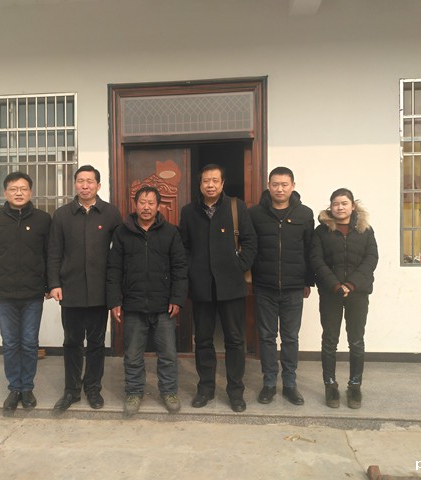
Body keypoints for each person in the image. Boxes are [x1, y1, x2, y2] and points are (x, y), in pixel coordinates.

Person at [179, 164, 257, 412]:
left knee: (235, 340)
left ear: (222, 183)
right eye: (206, 181)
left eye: (215, 180)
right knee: (203, 340)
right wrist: (192, 270)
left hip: (231, 286)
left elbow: (250, 242)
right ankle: (205, 388)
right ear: (200, 184)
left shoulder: (237, 207)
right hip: (201, 286)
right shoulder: (189, 211)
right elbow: (184, 247)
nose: (210, 185)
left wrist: (238, 266)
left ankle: (235, 391)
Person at [107, 186, 188, 416]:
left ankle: (169, 391)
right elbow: (113, 269)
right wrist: (115, 301)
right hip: (133, 305)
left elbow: (180, 268)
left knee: (168, 354)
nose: (146, 207)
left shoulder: (170, 232)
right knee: (133, 354)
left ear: (158, 206)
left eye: (151, 203)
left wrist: (177, 298)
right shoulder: (122, 232)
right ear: (135, 204)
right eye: (142, 202)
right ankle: (134, 392)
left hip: (163, 306)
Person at [48, 165, 122, 411]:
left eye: (90, 181)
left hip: (100, 291)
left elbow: (119, 253)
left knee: (97, 343)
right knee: (71, 342)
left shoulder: (111, 213)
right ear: (75, 184)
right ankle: (71, 391)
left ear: (98, 186)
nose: (85, 185)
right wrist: (54, 284)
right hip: (71, 290)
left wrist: (115, 291)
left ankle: (93, 388)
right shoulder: (62, 215)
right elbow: (54, 253)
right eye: (81, 181)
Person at [0, 171, 52, 411]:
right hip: (4, 294)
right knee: (10, 343)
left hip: (33, 294)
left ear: (31, 192)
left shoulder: (43, 219)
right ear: (5, 193)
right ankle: (14, 388)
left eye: (23, 188)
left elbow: (50, 255)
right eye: (13, 189)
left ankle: (27, 387)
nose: (18, 193)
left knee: (29, 343)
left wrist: (50, 285)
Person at [249, 167, 314, 406]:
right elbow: (250, 248)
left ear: (293, 186)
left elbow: (310, 249)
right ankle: (268, 384)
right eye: (275, 184)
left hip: (293, 287)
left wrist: (308, 281)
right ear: (268, 185)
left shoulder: (304, 214)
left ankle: (289, 384)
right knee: (266, 337)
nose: (280, 189)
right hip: (264, 286)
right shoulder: (255, 214)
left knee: (290, 337)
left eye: (284, 184)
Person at [310, 188, 378, 409]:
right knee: (330, 340)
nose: (339, 207)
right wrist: (336, 285)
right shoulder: (321, 231)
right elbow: (316, 259)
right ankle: (330, 385)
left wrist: (350, 285)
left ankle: (355, 385)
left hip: (358, 293)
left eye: (344, 203)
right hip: (331, 293)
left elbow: (371, 259)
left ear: (352, 206)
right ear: (330, 206)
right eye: (335, 203)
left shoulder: (365, 230)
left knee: (356, 340)